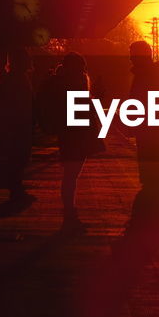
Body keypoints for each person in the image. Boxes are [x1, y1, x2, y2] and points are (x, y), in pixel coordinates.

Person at [39, 52, 96, 235]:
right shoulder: (74, 85)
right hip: (76, 136)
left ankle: (70, 214)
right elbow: (80, 113)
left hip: (69, 135)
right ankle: (69, 215)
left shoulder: (60, 84)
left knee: (70, 176)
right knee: (71, 176)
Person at [126, 40, 159, 234]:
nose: (130, 58)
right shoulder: (150, 74)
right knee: (150, 173)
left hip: (149, 130)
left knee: (150, 173)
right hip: (150, 129)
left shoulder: (146, 75)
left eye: (133, 54)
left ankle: (157, 216)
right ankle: (156, 215)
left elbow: (142, 102)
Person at [0, 46, 35, 210]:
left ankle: (16, 188)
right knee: (19, 157)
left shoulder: (11, 78)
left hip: (14, 125)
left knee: (17, 157)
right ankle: (15, 189)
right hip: (19, 125)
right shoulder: (20, 79)